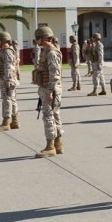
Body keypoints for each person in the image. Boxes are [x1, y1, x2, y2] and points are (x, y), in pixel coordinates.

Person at [33, 26, 64, 158]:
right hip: (48, 88)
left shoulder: (51, 52)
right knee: (54, 116)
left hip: (50, 89)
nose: (36, 41)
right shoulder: (46, 51)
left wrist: (50, 91)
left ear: (43, 38)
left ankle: (50, 146)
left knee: (49, 116)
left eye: (37, 38)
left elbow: (54, 73)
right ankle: (58, 144)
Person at [0, 32, 19, 131]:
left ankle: (6, 122)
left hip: (7, 79)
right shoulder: (4, 50)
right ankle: (15, 121)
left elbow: (9, 66)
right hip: (8, 78)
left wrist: (7, 80)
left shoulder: (7, 51)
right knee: (11, 100)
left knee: (7, 100)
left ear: (3, 41)